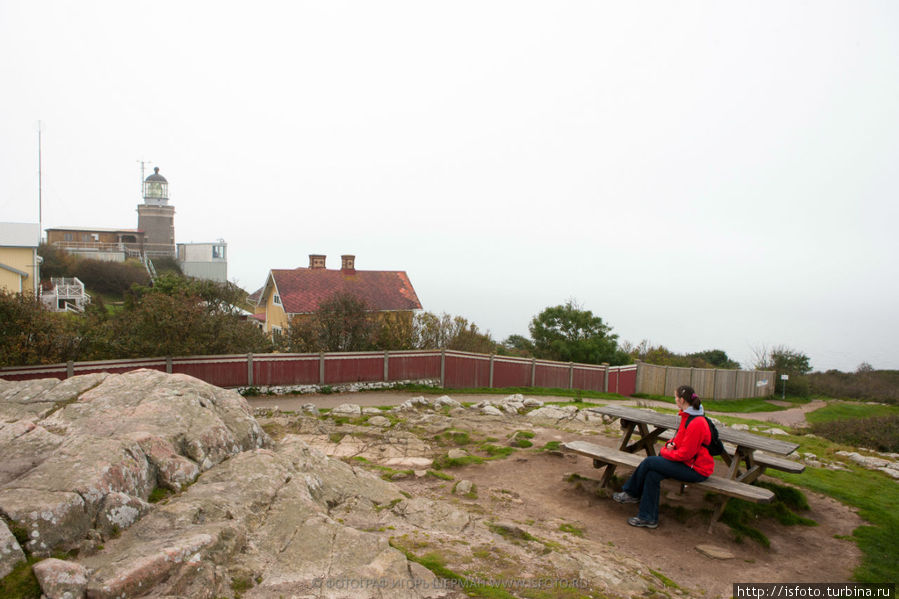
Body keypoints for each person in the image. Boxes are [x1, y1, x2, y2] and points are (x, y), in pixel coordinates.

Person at [612, 384, 715, 528]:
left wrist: (666, 452)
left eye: (675, 397)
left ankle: (631, 493)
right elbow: (678, 439)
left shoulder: (697, 423)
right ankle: (648, 518)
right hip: (686, 463)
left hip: (696, 470)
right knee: (652, 474)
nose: (674, 400)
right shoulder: (688, 417)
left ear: (682, 400)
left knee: (649, 462)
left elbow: (686, 454)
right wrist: (669, 445)